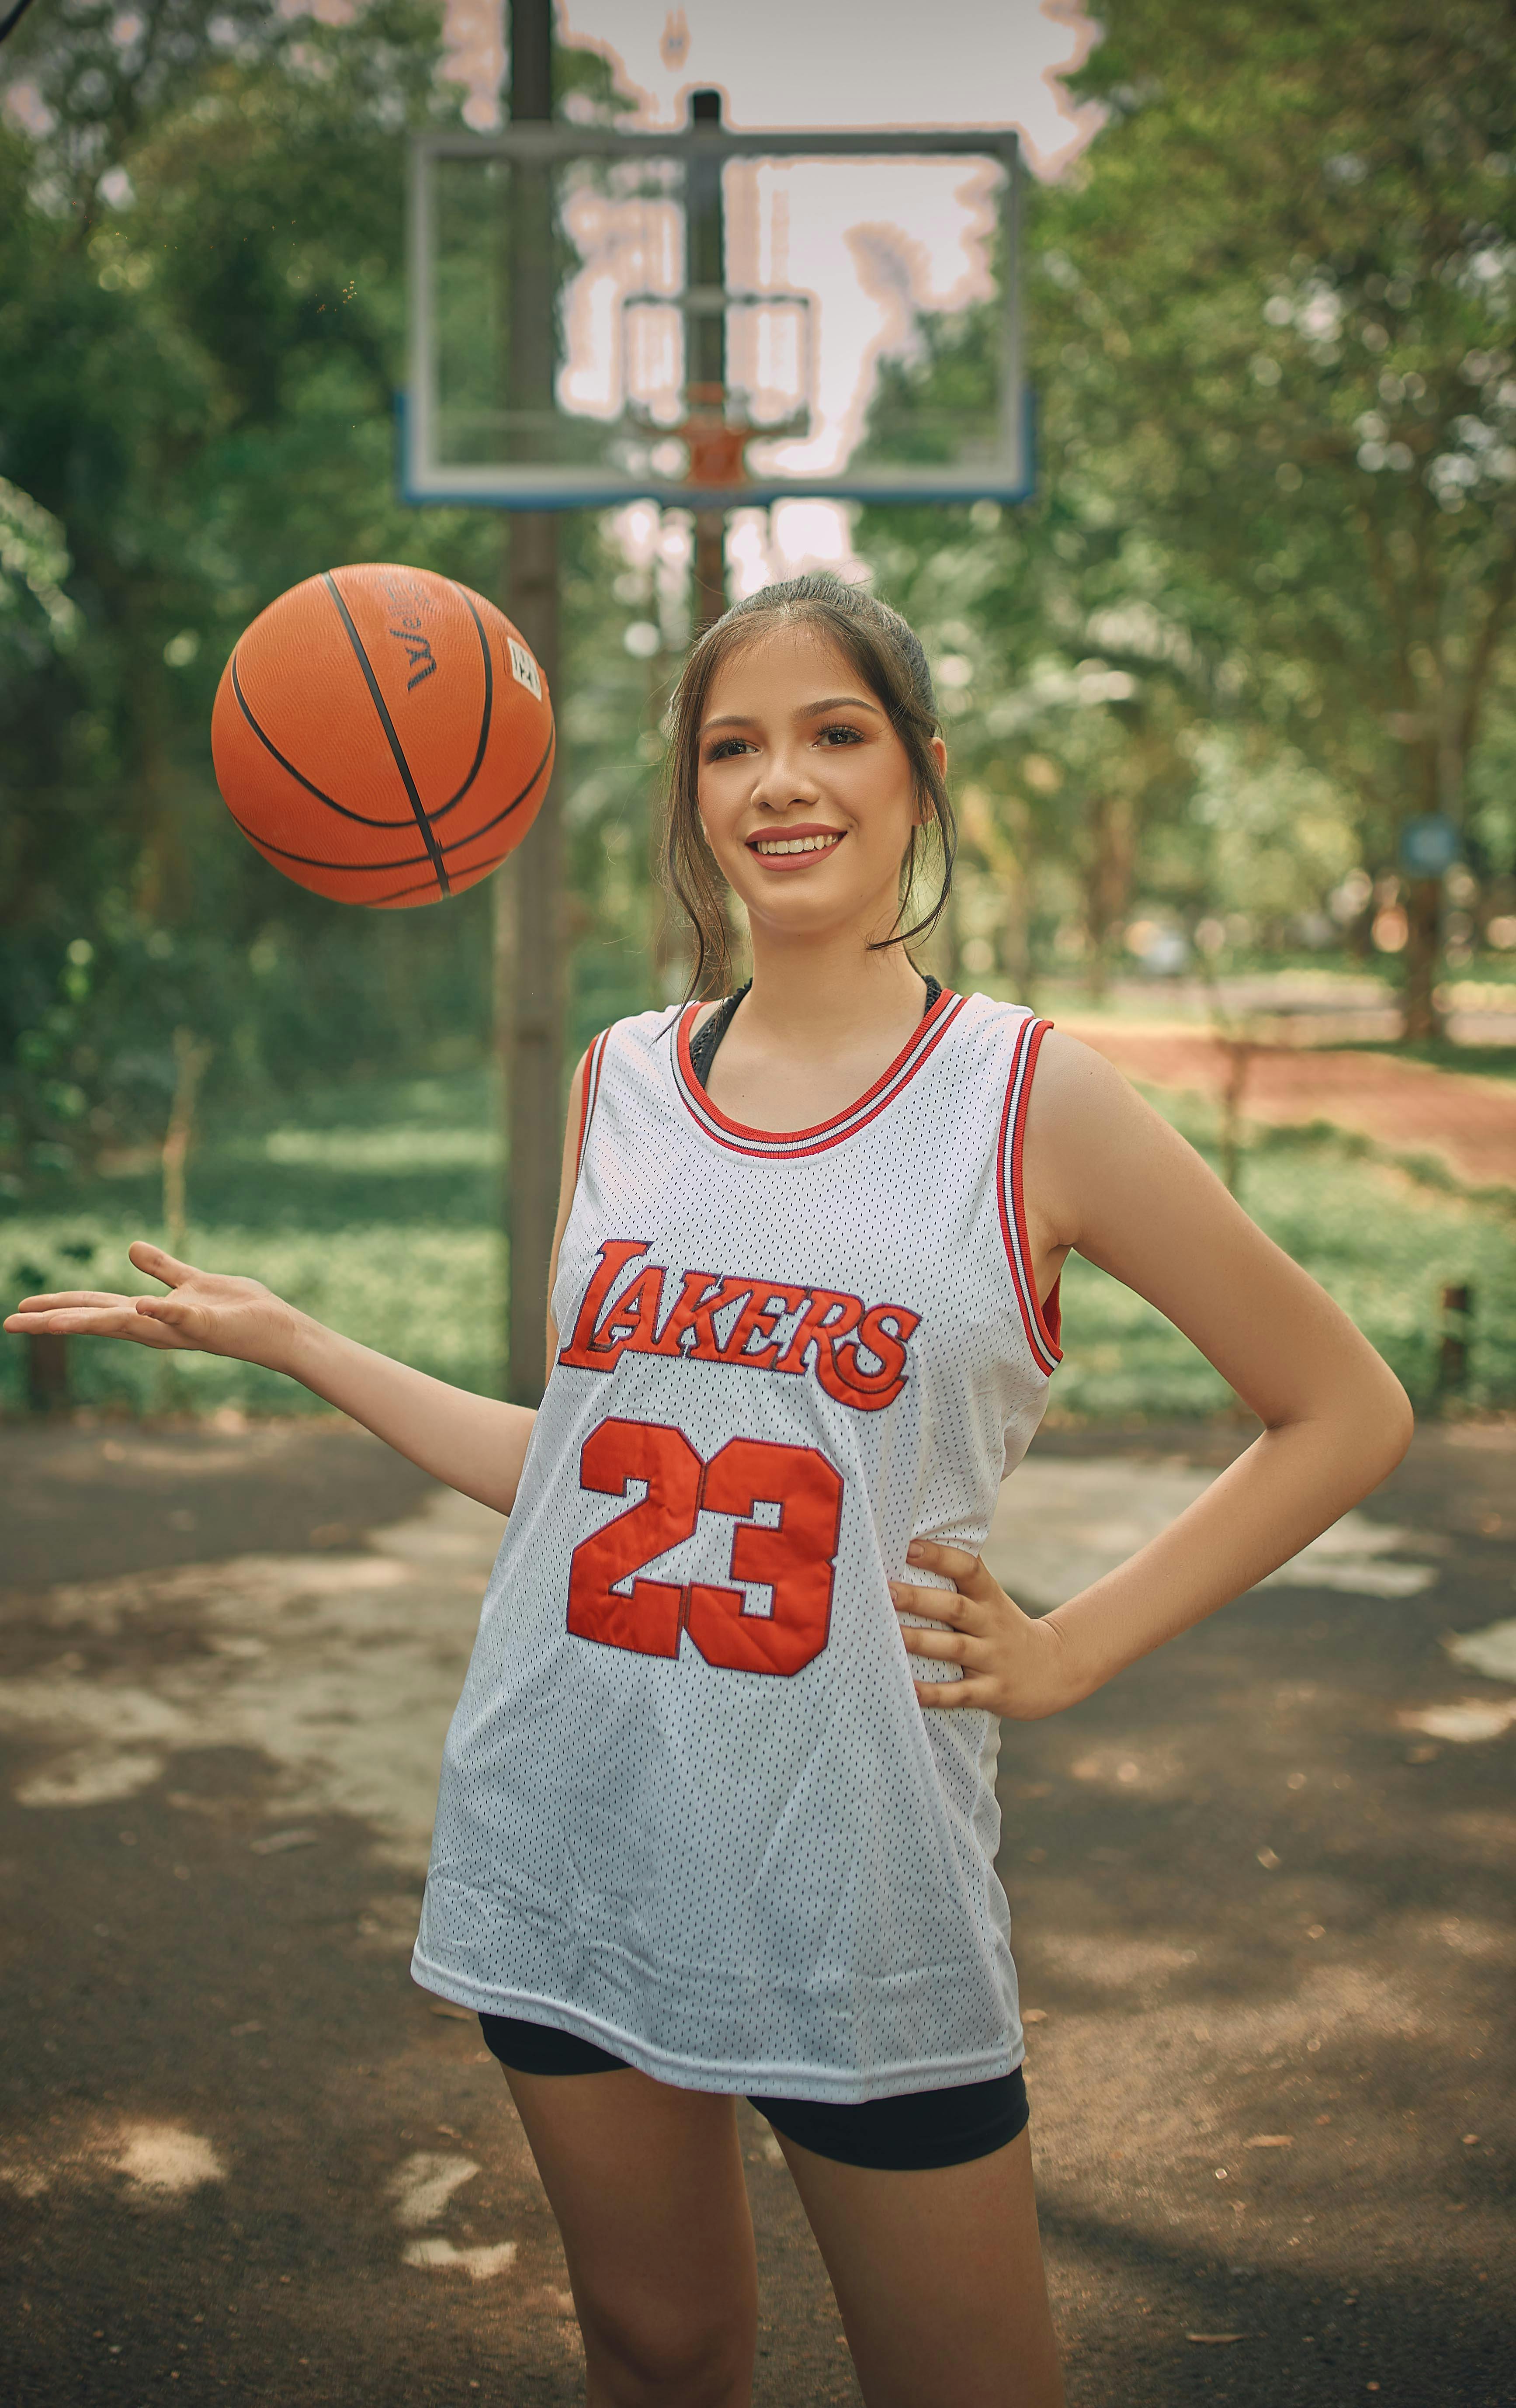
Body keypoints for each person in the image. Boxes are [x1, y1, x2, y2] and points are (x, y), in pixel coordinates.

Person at [6, 573, 1412, 2408]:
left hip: (853, 1870)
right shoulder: (626, 1083)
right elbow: (591, 1472)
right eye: (730, 745)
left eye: (833, 732)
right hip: (570, 1816)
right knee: (656, 2350)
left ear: (919, 774)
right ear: (687, 798)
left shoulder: (1027, 1097)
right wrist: (309, 1347)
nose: (779, 780)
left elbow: (1341, 1406)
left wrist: (1071, 1652)